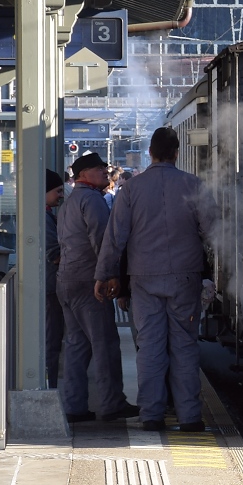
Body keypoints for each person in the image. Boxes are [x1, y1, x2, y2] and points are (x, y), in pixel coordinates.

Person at [95, 127, 217, 433]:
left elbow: (115, 237)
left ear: (150, 152)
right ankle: (189, 417)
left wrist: (105, 275)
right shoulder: (194, 185)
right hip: (185, 278)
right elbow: (214, 232)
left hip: (144, 278)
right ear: (177, 153)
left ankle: (151, 414)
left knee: (149, 347)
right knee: (184, 346)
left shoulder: (132, 190)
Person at [56, 152, 138, 423]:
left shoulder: (69, 202)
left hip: (67, 281)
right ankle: (111, 404)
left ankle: (74, 406)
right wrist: (109, 276)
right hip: (89, 282)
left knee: (77, 346)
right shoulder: (92, 201)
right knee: (105, 344)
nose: (105, 171)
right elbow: (103, 242)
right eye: (97, 168)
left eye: (104, 167)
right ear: (82, 175)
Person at [44, 169, 66, 389]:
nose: (61, 195)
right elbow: (55, 254)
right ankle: (49, 389)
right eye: (57, 191)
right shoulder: (44, 218)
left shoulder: (47, 214)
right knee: (51, 343)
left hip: (49, 287)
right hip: (50, 288)